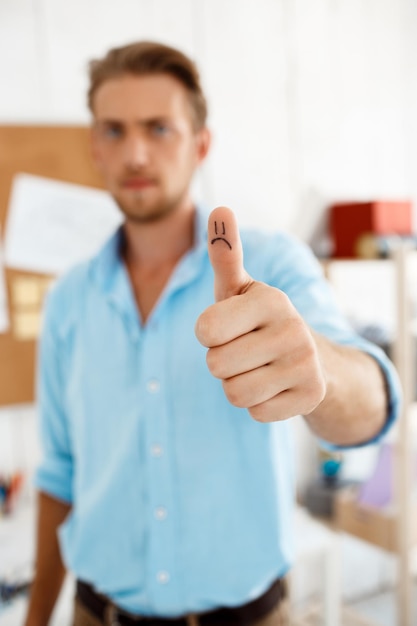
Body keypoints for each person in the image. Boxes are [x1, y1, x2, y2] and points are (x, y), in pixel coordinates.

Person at [24, 41, 400, 626]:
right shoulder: (69, 299)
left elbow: (373, 405)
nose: (137, 152)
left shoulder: (271, 265)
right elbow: (58, 473)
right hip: (94, 614)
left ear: (201, 144)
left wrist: (319, 368)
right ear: (95, 146)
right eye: (115, 131)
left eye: (159, 128)